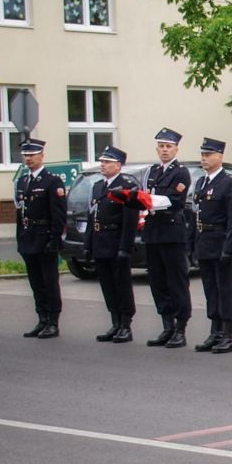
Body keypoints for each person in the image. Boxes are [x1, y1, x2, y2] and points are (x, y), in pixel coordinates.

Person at [190, 137, 232, 354]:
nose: (204, 159)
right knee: (210, 290)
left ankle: (227, 334)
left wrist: (229, 248)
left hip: (221, 242)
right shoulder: (202, 183)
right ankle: (214, 331)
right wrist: (193, 245)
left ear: (219, 157)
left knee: (224, 290)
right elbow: (196, 216)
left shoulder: (230, 183)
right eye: (202, 155)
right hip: (205, 243)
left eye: (208, 155)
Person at [143, 127, 193, 348]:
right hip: (153, 231)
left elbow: (174, 199)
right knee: (158, 281)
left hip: (171, 231)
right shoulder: (152, 171)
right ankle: (167, 325)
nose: (164, 150)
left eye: (168, 147)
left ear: (176, 149)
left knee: (176, 282)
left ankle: (180, 328)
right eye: (161, 146)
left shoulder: (180, 173)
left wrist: (147, 200)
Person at [85, 146, 138, 343]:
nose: (103, 165)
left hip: (116, 243)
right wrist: (88, 244)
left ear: (118, 165)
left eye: (107, 162)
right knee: (107, 285)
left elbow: (130, 220)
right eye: (102, 162)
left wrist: (125, 247)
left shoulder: (126, 187)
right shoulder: (98, 186)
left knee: (121, 285)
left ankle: (125, 324)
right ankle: (115, 322)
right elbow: (93, 217)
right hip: (100, 243)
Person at [14, 138, 66, 338]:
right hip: (28, 238)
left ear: (41, 156)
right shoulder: (23, 181)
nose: (29, 159)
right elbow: (20, 213)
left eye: (32, 155)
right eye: (26, 155)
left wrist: (54, 239)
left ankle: (53, 321)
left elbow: (58, 213)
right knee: (36, 282)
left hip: (45, 238)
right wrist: (19, 237)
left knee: (49, 282)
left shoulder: (52, 181)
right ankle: (42, 318)